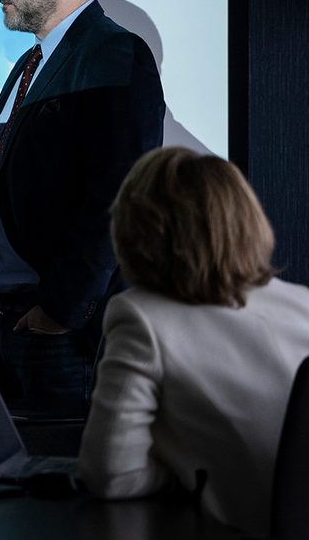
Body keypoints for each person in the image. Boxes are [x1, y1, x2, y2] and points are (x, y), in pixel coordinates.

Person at [0, 0, 164, 416]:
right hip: (2, 326)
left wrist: (60, 312)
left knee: (59, 488)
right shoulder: (33, 62)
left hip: (60, 338)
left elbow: (119, 197)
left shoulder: (115, 51)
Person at [80, 147, 309, 538]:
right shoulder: (303, 301)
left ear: (136, 230)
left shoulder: (141, 317)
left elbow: (113, 476)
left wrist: (183, 473)